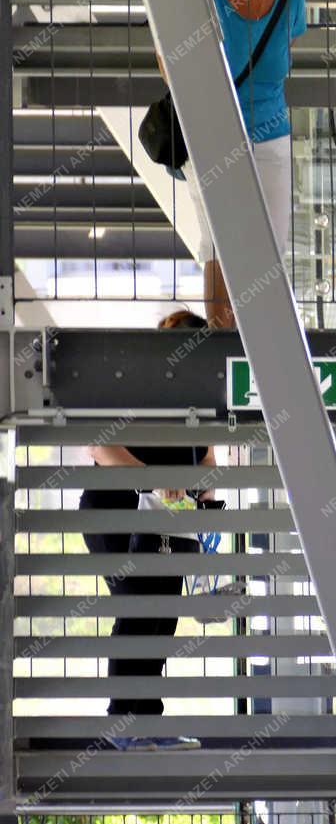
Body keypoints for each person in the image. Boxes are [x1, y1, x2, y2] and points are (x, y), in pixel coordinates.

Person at [79, 310, 220, 751]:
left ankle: (146, 723)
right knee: (140, 608)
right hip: (117, 510)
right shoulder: (134, 387)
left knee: (161, 617)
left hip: (167, 517)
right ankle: (125, 725)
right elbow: (100, 443)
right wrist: (155, 478)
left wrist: (205, 496)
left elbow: (206, 460)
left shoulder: (196, 403)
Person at [175, 0, 308, 327]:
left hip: (270, 130)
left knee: (270, 238)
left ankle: (263, 329)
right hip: (210, 126)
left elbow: (278, 61)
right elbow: (171, 56)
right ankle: (221, 330)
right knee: (219, 236)